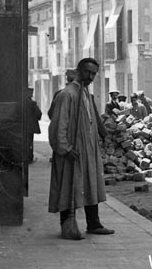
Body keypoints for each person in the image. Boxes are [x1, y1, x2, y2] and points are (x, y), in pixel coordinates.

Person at [48, 57, 114, 239]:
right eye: (88, 72)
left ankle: (94, 223)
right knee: (68, 187)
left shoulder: (85, 94)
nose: (91, 77)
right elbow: (58, 125)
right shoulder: (67, 94)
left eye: (94, 74)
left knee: (90, 184)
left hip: (87, 150)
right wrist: (65, 148)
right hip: (72, 151)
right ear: (79, 71)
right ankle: (67, 226)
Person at [25, 87, 42, 163]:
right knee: (29, 143)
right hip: (30, 127)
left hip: (21, 127)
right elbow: (39, 114)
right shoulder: (32, 103)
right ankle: (29, 158)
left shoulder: (20, 103)